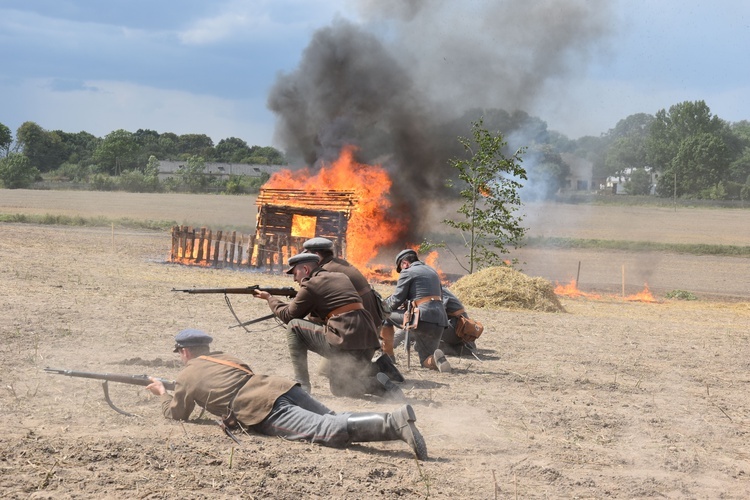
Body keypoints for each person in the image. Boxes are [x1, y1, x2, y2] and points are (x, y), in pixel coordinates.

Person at [146, 329, 427, 460]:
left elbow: (177, 413)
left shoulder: (186, 375)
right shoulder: (224, 357)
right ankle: (391, 421)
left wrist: (161, 391)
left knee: (324, 430)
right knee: (332, 416)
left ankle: (393, 422)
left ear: (184, 351)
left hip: (260, 407)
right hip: (280, 386)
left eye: (180, 352)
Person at [253, 252, 403, 400]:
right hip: (367, 339)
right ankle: (382, 381)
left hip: (346, 338)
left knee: (294, 327)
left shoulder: (311, 284)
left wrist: (269, 298)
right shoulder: (341, 277)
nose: (294, 278)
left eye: (295, 273)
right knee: (340, 389)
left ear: (305, 270)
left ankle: (302, 384)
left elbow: (289, 316)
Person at [302, 237, 402, 383]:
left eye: (309, 256)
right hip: (369, 320)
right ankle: (381, 367)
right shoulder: (337, 264)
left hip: (360, 324)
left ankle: (381, 368)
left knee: (345, 373)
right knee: (325, 370)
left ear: (317, 255)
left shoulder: (326, 270)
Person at [382, 249, 452, 373]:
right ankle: (437, 360)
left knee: (385, 315)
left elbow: (396, 300)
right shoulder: (433, 272)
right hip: (440, 319)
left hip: (422, 317)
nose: (402, 271)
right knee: (426, 358)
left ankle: (388, 356)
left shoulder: (408, 272)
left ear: (405, 263)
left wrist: (381, 305)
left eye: (401, 268)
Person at [439, 287, 479, 356]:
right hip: (458, 326)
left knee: (430, 323)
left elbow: (438, 312)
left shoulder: (435, 290)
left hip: (458, 327)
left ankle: (457, 349)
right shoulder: (436, 287)